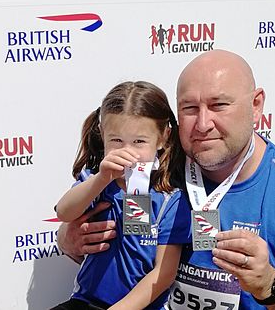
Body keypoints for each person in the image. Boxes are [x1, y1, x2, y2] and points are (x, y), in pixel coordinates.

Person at [59, 50, 275, 309]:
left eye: (219, 105)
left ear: (256, 105)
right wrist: (69, 239)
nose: (204, 123)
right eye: (190, 108)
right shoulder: (158, 169)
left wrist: (274, 286)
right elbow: (115, 236)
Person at [53, 82, 191, 310]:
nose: (127, 151)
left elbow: (164, 273)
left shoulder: (170, 199)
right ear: (103, 135)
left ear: (163, 138)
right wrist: (101, 179)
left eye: (139, 142)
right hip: (86, 302)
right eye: (116, 141)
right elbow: (64, 212)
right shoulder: (97, 181)